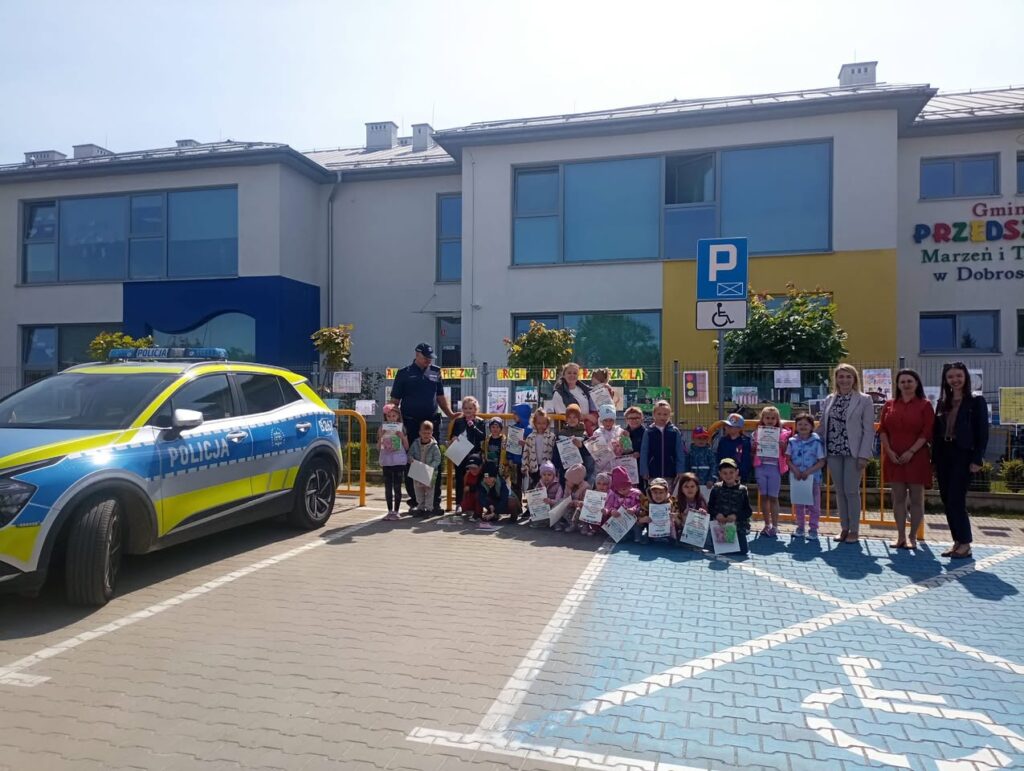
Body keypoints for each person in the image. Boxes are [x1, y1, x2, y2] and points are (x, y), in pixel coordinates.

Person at [933, 362, 988, 560]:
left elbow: (983, 432)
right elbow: (936, 433)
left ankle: (965, 543)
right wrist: (934, 460)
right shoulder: (942, 402)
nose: (955, 380)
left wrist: (977, 459)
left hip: (963, 454)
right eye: (950, 377)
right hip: (944, 454)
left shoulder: (976, 401)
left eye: (958, 376)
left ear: (965, 377)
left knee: (956, 498)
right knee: (947, 499)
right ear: (945, 380)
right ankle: (957, 541)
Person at [390, 343, 455, 513]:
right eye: (426, 357)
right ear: (417, 355)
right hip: (411, 423)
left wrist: (450, 413)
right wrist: (392, 423)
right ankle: (416, 502)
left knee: (434, 461)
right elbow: (394, 402)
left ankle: (434, 502)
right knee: (414, 461)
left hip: (431, 423)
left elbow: (440, 396)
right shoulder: (404, 373)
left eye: (430, 358)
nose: (428, 361)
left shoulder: (435, 371)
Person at [816, 364, 875, 544]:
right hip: (833, 451)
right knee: (840, 491)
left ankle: (854, 530)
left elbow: (869, 430)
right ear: (836, 379)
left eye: (848, 376)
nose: (844, 380)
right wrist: (803, 440)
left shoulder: (864, 400)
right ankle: (844, 528)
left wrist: (864, 455)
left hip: (853, 452)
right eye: (841, 376)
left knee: (851, 491)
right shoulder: (829, 399)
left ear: (854, 379)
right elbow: (823, 426)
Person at [878, 369, 935, 550]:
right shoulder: (889, 404)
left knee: (917, 499)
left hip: (917, 458)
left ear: (917, 383)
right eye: (902, 381)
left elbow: (927, 431)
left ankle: (913, 537)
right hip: (894, 458)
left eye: (910, 381)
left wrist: (911, 451)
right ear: (898, 385)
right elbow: (883, 429)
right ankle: (901, 536)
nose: (906, 384)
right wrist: (888, 451)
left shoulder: (925, 405)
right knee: (898, 499)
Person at [751, 406, 791, 539]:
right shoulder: (757, 433)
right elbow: (752, 451)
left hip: (774, 469)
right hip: (761, 468)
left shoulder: (783, 434)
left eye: (773, 418)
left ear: (777, 419)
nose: (770, 420)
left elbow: (786, 452)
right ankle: (766, 524)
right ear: (762, 419)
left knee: (773, 497)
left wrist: (782, 446)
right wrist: (754, 446)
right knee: (763, 497)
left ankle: (775, 526)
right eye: (767, 418)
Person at [785, 412, 826, 539]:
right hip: (797, 478)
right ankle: (800, 527)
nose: (803, 427)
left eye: (806, 424)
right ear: (796, 426)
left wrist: (808, 472)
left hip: (813, 478)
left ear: (812, 426)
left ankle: (813, 529)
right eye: (800, 424)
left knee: (814, 506)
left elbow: (821, 461)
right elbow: (788, 459)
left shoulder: (817, 442)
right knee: (799, 504)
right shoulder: (792, 442)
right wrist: (795, 470)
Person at [707, 458, 752, 556]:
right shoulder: (716, 488)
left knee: (743, 551)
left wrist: (736, 516)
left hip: (737, 527)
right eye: (725, 473)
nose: (728, 475)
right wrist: (716, 514)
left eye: (731, 472)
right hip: (720, 527)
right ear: (720, 474)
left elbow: (748, 511)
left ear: (737, 472)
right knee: (716, 549)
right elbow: (710, 507)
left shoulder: (743, 490)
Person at [449, 396, 486, 514]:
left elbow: (482, 436)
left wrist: (473, 426)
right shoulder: (458, 421)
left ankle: (475, 504)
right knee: (459, 478)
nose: (468, 410)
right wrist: (453, 438)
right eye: (465, 408)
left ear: (475, 409)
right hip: (459, 452)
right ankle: (459, 503)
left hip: (473, 454)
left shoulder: (480, 421)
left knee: (474, 479)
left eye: (470, 408)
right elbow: (453, 435)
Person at [639, 400, 685, 492]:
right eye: (659, 414)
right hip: (653, 473)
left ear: (670, 415)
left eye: (665, 414)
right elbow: (644, 452)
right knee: (655, 495)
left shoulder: (674, 431)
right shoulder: (649, 431)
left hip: (670, 472)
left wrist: (680, 470)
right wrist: (644, 470)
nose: (662, 417)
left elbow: (679, 452)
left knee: (669, 495)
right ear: (654, 415)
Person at [378, 403, 410, 521]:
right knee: (388, 487)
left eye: (394, 416)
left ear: (398, 417)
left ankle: (396, 511)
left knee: (397, 486)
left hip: (398, 460)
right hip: (386, 460)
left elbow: (406, 447)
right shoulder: (382, 428)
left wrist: (402, 437)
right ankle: (389, 510)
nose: (391, 418)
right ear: (385, 417)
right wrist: (381, 436)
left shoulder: (401, 428)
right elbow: (378, 447)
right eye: (389, 416)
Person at [407, 420, 442, 513]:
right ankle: (420, 507)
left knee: (429, 491)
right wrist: (410, 459)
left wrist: (430, 467)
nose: (426, 435)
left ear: (432, 433)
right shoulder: (415, 443)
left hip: (430, 472)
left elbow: (437, 459)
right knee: (418, 490)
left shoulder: (434, 446)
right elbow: (410, 454)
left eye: (428, 433)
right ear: (420, 433)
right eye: (424, 433)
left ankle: (429, 508)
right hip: (418, 470)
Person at [555, 404, 594, 482]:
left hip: (580, 471)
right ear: (566, 419)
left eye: (574, 417)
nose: (572, 420)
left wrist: (581, 446)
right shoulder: (561, 434)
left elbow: (589, 454)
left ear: (579, 418)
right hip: (565, 471)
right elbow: (556, 453)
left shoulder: (583, 434)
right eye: (569, 417)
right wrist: (557, 466)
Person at [522, 408, 557, 491]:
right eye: (539, 423)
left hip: (547, 468)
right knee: (534, 487)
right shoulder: (530, 437)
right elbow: (526, 453)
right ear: (534, 423)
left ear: (547, 423)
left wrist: (555, 467)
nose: (541, 425)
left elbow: (555, 453)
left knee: (547, 487)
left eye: (544, 423)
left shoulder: (552, 437)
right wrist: (524, 467)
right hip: (534, 467)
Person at [605, 466, 643, 542]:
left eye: (624, 489)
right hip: (621, 520)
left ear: (629, 485)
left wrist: (634, 509)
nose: (622, 491)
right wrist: (613, 511)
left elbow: (641, 504)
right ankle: (624, 535)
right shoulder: (615, 494)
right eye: (619, 489)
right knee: (622, 537)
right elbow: (612, 506)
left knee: (637, 524)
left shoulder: (636, 493)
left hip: (634, 518)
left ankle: (637, 534)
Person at [589, 404, 626, 476]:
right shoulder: (597, 433)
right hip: (603, 469)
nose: (608, 423)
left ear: (614, 420)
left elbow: (626, 449)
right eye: (605, 420)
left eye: (611, 420)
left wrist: (625, 439)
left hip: (618, 467)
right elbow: (597, 456)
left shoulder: (620, 431)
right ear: (601, 420)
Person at [506, 403, 533, 499]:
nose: (513, 416)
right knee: (515, 485)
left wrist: (526, 444)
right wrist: (509, 457)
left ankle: (529, 505)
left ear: (522, 414)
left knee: (528, 485)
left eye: (515, 414)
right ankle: (516, 505)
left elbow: (533, 446)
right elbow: (510, 444)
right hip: (515, 462)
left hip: (527, 463)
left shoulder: (530, 430)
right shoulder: (513, 428)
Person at [716, 414, 752, 483]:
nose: (727, 427)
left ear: (739, 428)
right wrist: (720, 473)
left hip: (739, 477)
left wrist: (741, 475)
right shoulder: (722, 441)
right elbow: (719, 457)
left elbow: (746, 460)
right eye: (727, 425)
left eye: (730, 426)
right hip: (724, 476)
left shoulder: (745, 442)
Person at [675, 472, 708, 549]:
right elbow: (676, 525)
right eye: (686, 487)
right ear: (681, 489)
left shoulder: (701, 501)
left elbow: (705, 523)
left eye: (692, 486)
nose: (690, 489)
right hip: (681, 532)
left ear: (697, 488)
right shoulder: (676, 502)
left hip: (696, 533)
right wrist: (681, 517)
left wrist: (703, 514)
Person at [641, 477, 678, 545]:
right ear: (650, 493)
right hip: (652, 530)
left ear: (666, 492)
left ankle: (670, 537)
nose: (658, 495)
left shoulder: (673, 501)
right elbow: (638, 518)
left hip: (668, 529)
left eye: (661, 492)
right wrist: (642, 519)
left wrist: (676, 516)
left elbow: (679, 514)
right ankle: (649, 536)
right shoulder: (646, 502)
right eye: (655, 492)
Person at [557, 463, 589, 532]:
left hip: (581, 508)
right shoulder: (568, 486)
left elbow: (587, 502)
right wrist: (567, 501)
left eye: (569, 479)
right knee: (562, 506)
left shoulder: (586, 487)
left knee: (582, 511)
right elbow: (565, 497)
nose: (566, 481)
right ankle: (572, 524)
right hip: (572, 507)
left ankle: (584, 526)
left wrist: (577, 502)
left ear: (575, 480)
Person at [529, 461, 563, 527]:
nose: (546, 477)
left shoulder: (558, 485)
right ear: (541, 475)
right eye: (544, 475)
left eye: (549, 475)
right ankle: (542, 520)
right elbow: (534, 495)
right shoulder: (539, 484)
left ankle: (556, 522)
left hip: (553, 506)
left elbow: (558, 500)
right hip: (543, 507)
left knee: (557, 507)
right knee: (533, 505)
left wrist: (550, 501)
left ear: (553, 475)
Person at [686, 426, 716, 495]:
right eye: (699, 438)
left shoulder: (709, 452)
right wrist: (687, 479)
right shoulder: (690, 453)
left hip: (707, 484)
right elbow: (687, 467)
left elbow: (714, 466)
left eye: (704, 438)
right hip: (693, 484)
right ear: (693, 438)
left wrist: (711, 479)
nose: (701, 440)